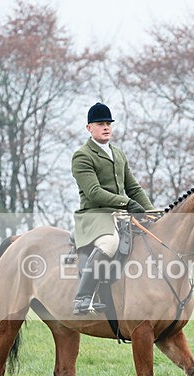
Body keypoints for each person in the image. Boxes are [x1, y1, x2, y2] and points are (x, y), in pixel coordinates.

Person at [71, 102, 155, 315]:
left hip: (119, 213)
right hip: (94, 214)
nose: (106, 127)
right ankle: (83, 297)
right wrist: (126, 203)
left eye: (108, 123)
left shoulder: (118, 154)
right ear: (89, 128)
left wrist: (151, 213)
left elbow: (133, 188)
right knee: (110, 242)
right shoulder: (82, 155)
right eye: (100, 124)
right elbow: (94, 192)